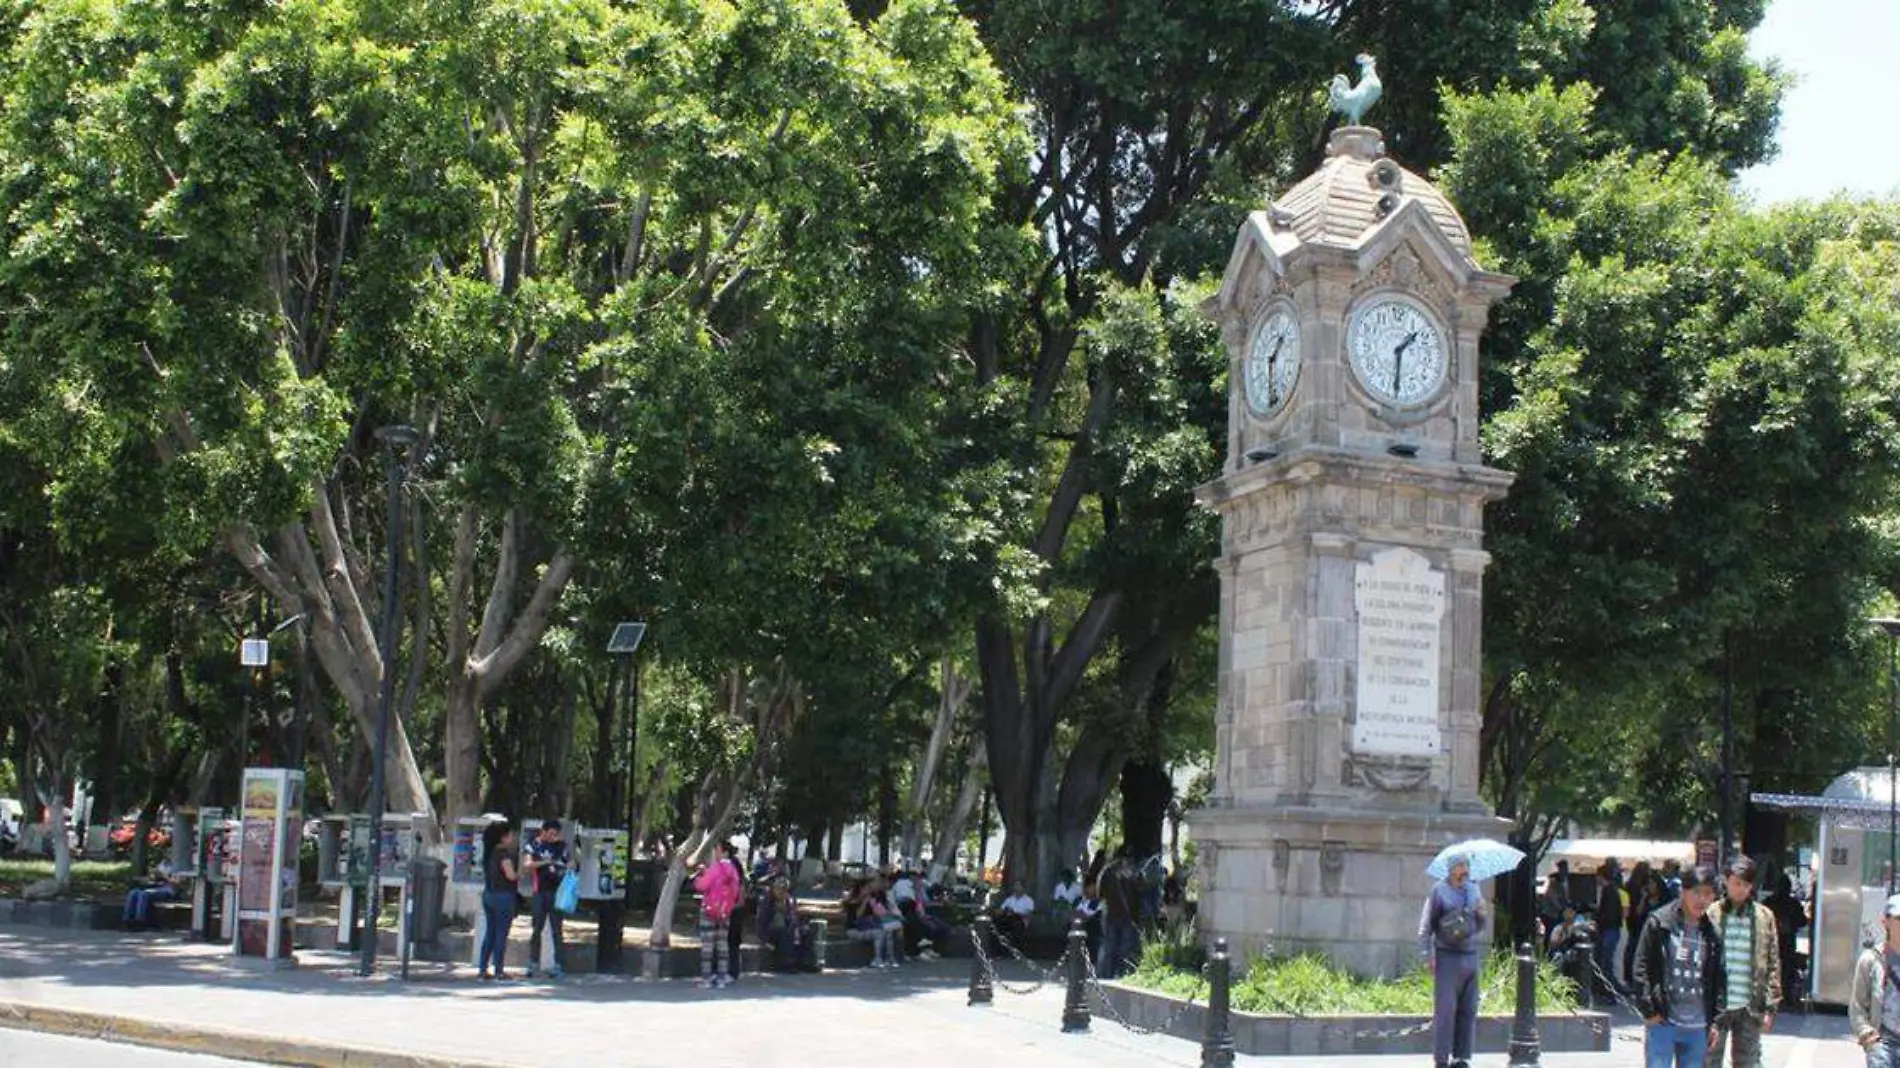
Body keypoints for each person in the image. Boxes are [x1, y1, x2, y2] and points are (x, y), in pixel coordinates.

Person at [1632, 863, 1724, 1068]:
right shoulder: (1659, 923)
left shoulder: (1713, 933)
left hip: (1698, 1025)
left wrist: (1716, 1021)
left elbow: (1719, 979)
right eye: (1696, 893)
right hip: (1664, 1020)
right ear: (1683, 891)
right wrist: (1649, 1009)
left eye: (1708, 894)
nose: (1702, 900)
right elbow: (1641, 967)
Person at [1707, 856, 1780, 1068]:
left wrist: (1770, 1006)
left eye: (1746, 884)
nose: (1741, 889)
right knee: (1710, 1059)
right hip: (1717, 1005)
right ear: (1726, 882)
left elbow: (1773, 962)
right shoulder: (1712, 914)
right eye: (1736, 883)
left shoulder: (1764, 916)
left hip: (1750, 1004)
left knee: (1749, 1062)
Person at [1418, 853, 1487, 1068]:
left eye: (1466, 865)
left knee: (1468, 1009)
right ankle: (1441, 1058)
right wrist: (1426, 956)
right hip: (1446, 956)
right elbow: (1426, 926)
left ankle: (1462, 1056)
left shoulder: (1474, 890)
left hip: (1469, 955)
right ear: (1451, 869)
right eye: (1460, 865)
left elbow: (1479, 926)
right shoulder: (1439, 891)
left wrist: (1482, 914)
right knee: (1446, 1011)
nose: (1464, 870)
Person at [1851, 893, 1900, 1066]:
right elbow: (1857, 1006)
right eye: (1899, 918)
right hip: (1883, 1044)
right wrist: (1867, 1035)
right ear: (1885, 921)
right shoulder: (1871, 960)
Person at [523, 820, 570, 979]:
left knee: (557, 930)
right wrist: (546, 862)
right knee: (537, 928)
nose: (553, 837)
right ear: (543, 831)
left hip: (557, 893)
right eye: (551, 833)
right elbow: (527, 864)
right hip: (540, 891)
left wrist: (567, 864)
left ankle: (558, 965)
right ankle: (533, 962)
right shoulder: (533, 845)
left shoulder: (561, 846)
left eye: (556, 834)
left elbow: (569, 862)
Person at [693, 840, 742, 989]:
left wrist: (699, 876)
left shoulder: (716, 868)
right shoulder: (733, 870)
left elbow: (702, 885)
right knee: (722, 946)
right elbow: (736, 892)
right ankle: (722, 979)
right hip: (725, 912)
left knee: (707, 946)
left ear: (722, 851)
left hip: (709, 911)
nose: (715, 853)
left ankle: (707, 979)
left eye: (717, 850)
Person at [478, 820, 520, 981]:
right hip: (503, 896)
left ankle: (483, 968)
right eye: (509, 835)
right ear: (503, 837)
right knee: (501, 933)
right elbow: (510, 875)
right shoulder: (503, 855)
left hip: (489, 894)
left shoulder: (488, 854)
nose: (512, 837)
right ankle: (499, 970)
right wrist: (520, 874)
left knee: (490, 932)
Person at [1099, 847, 1143, 980]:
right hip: (1114, 914)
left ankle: (1121, 974)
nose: (1126, 861)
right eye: (1125, 858)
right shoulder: (1109, 872)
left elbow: (1139, 891)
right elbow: (1102, 892)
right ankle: (1106, 974)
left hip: (1126, 917)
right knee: (1110, 947)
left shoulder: (1131, 873)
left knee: (1124, 948)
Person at [756, 877, 815, 972]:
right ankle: (787, 964)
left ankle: (807, 963)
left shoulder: (790, 900)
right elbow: (760, 922)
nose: (781, 892)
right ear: (774, 889)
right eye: (779, 889)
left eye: (784, 889)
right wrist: (764, 940)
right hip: (772, 931)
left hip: (788, 927)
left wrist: (798, 928)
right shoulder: (767, 902)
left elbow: (793, 917)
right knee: (785, 933)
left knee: (806, 932)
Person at [1764, 869, 1805, 1009]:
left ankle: (1772, 998)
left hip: (1774, 942)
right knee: (1787, 970)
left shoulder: (1768, 902)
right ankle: (1785, 998)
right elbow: (1803, 921)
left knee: (1773, 970)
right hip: (1786, 942)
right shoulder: (1793, 904)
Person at [122, 860, 184, 930]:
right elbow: (153, 879)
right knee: (133, 892)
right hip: (156, 887)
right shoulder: (162, 864)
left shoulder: (179, 866)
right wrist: (153, 878)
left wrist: (166, 877)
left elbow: (179, 882)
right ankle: (127, 920)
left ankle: (140, 921)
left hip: (168, 890)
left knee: (143, 895)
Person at [1595, 864, 1626, 995]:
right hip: (1612, 929)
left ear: (1601, 877)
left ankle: (1610, 992)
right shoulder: (1613, 890)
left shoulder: (1608, 891)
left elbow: (1608, 913)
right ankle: (1614, 990)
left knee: (1606, 963)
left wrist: (1598, 923)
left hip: (1609, 930)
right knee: (1606, 962)